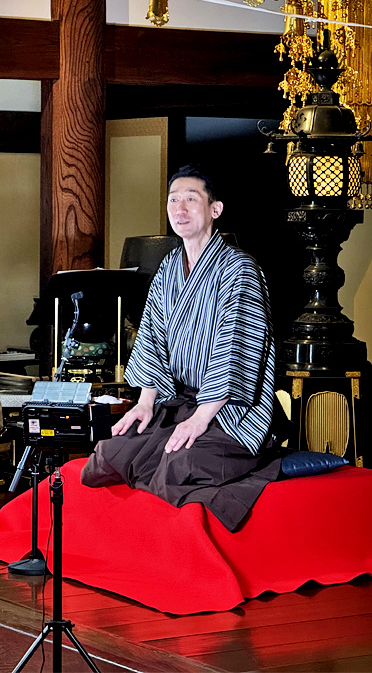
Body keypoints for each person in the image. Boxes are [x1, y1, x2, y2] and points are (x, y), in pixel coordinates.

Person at [80, 165, 281, 531]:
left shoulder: (239, 269)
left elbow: (235, 350)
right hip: (179, 402)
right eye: (174, 200)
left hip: (231, 411)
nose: (180, 209)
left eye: (191, 199)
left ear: (215, 209)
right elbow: (152, 337)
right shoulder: (169, 267)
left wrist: (201, 419)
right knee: (109, 454)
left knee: (178, 466)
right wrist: (145, 404)